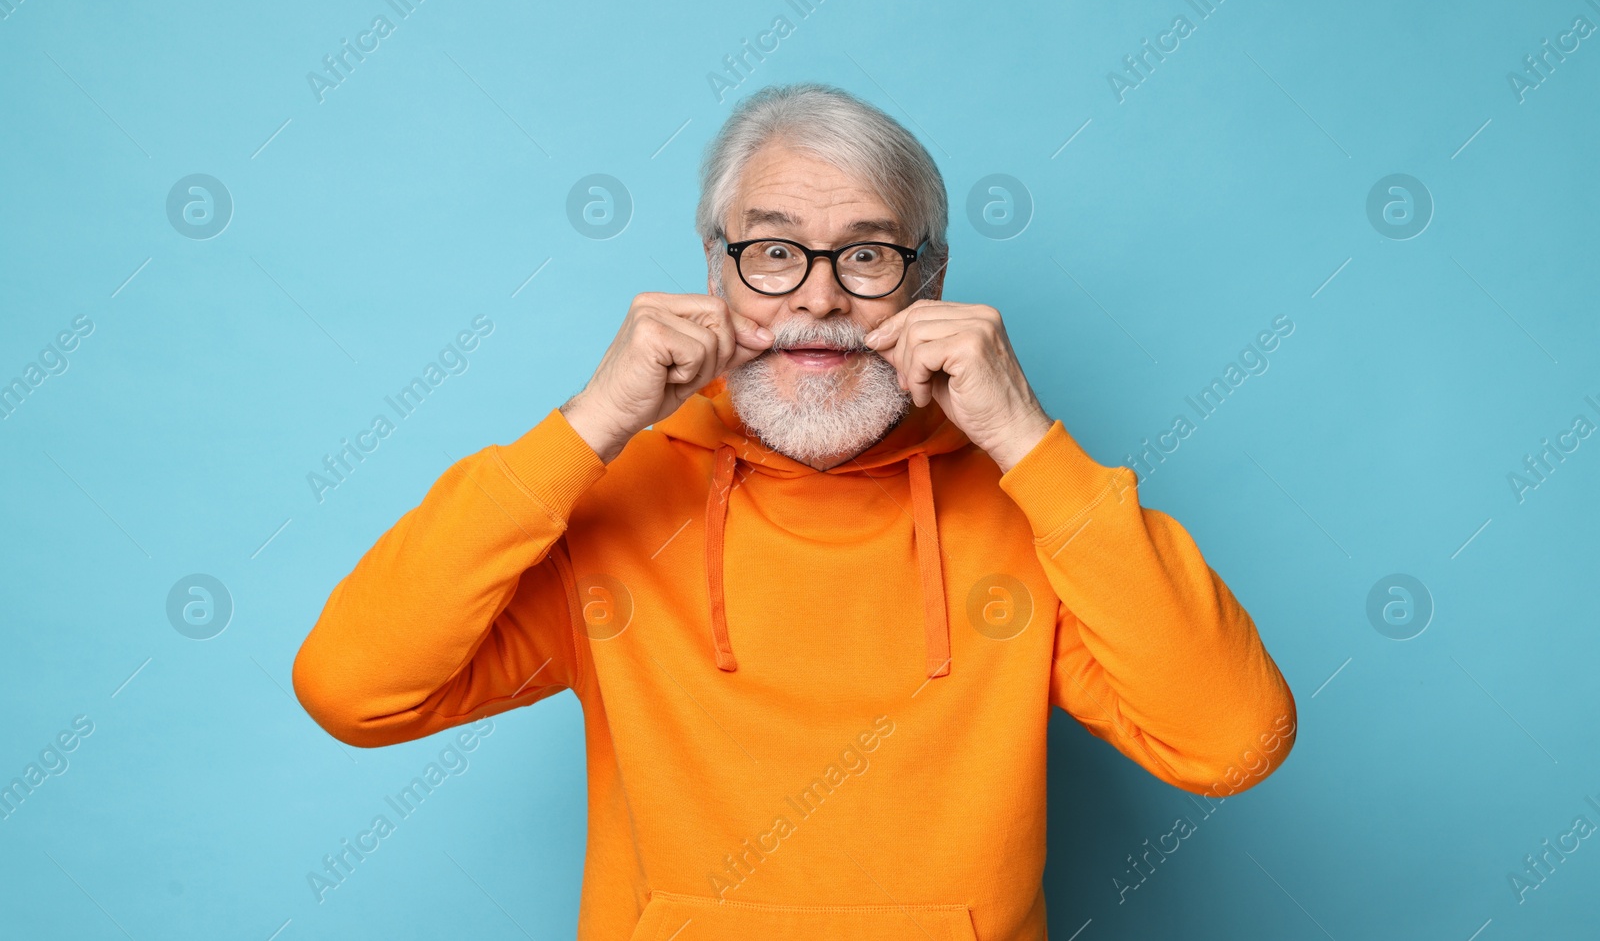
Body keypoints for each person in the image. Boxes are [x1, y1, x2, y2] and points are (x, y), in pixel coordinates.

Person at [292, 82, 1296, 940]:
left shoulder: (1032, 514)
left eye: (865, 257)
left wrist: (1029, 439)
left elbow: (1232, 742)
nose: (816, 299)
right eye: (774, 252)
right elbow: (355, 688)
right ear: (717, 269)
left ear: (931, 283)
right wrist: (593, 421)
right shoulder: (615, 503)